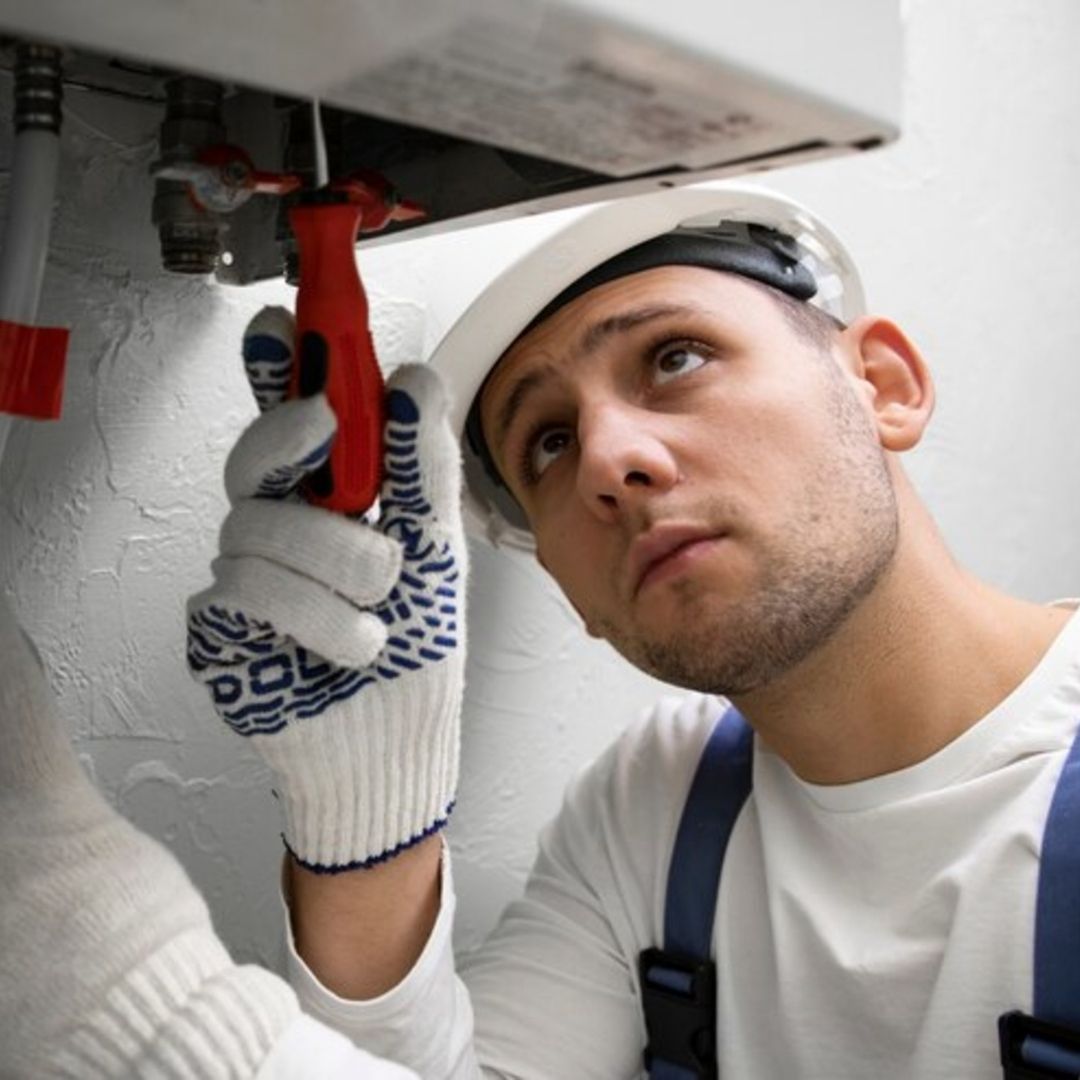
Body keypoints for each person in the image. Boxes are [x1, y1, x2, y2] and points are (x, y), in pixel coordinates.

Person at [2, 184, 1076, 1078]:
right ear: (567, 586)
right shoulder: (659, 807)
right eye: (549, 443)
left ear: (883, 385)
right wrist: (369, 825)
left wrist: (94, 956)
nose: (608, 460)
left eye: (675, 357)